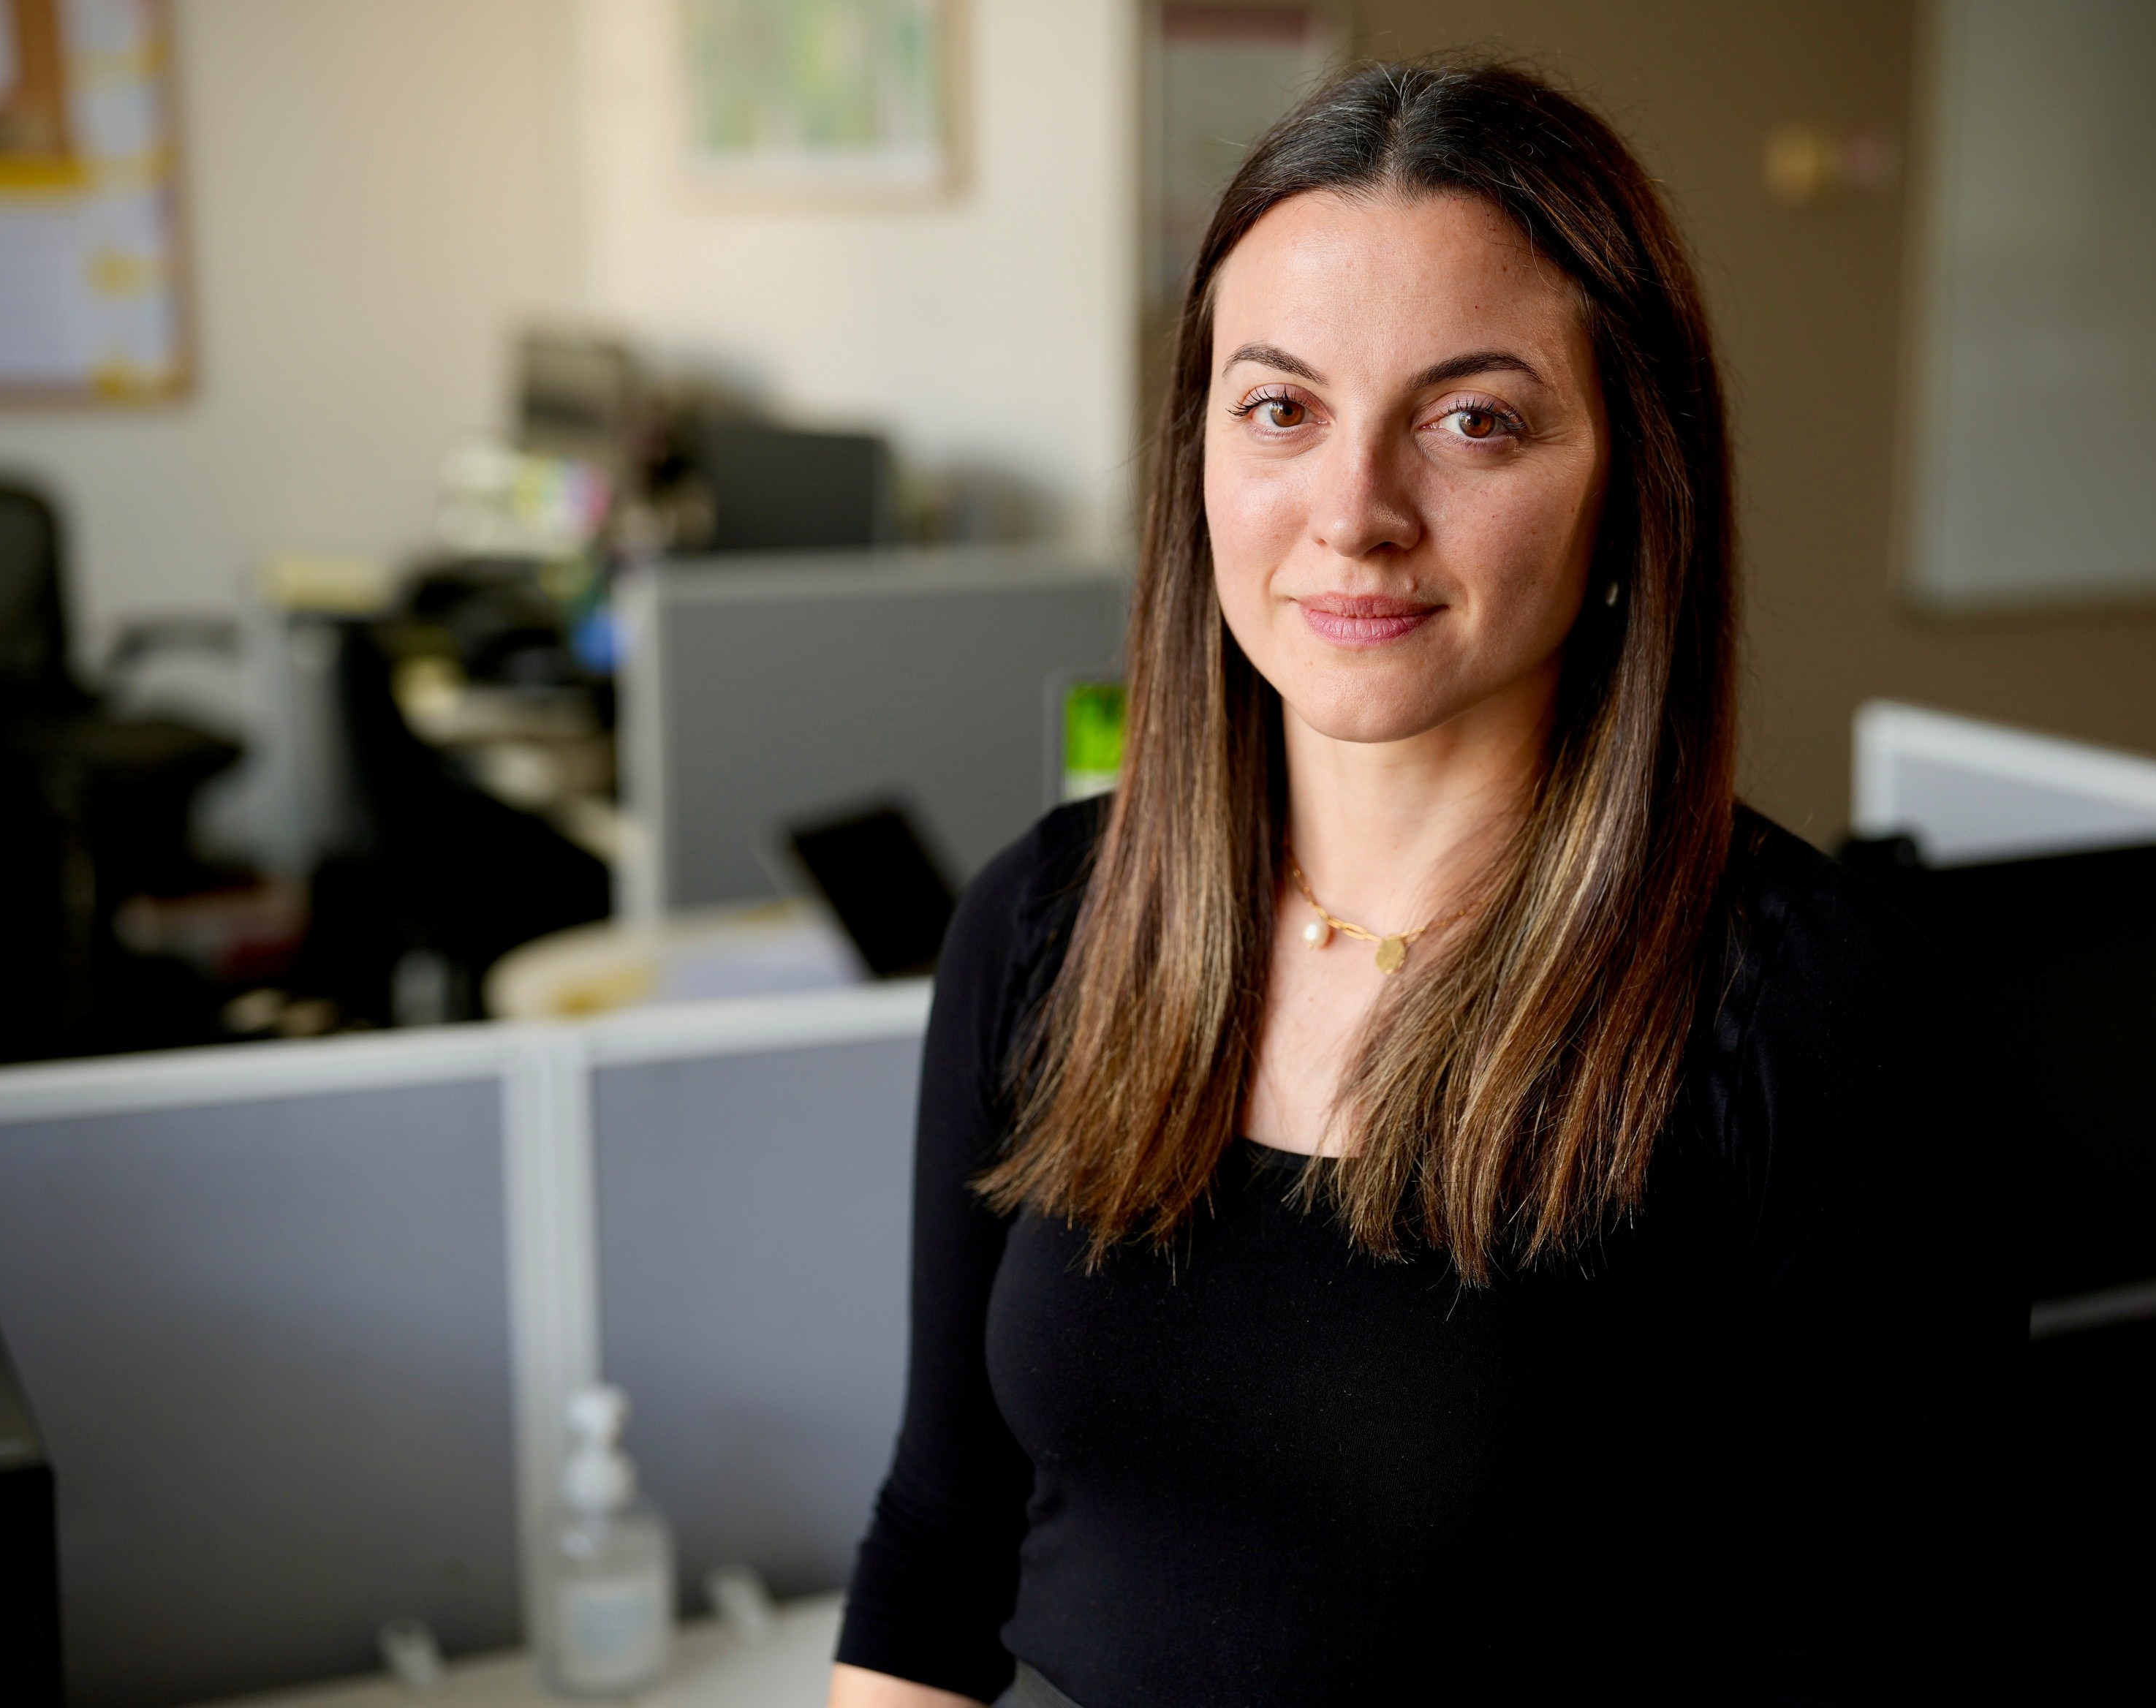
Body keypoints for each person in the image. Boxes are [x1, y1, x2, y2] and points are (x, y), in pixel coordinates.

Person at [829, 60, 2001, 1708]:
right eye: (1281, 408)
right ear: (1201, 459)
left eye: (1475, 420)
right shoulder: (1047, 922)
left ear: (1625, 488)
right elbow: (940, 1540)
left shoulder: (1809, 1016)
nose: (1356, 513)